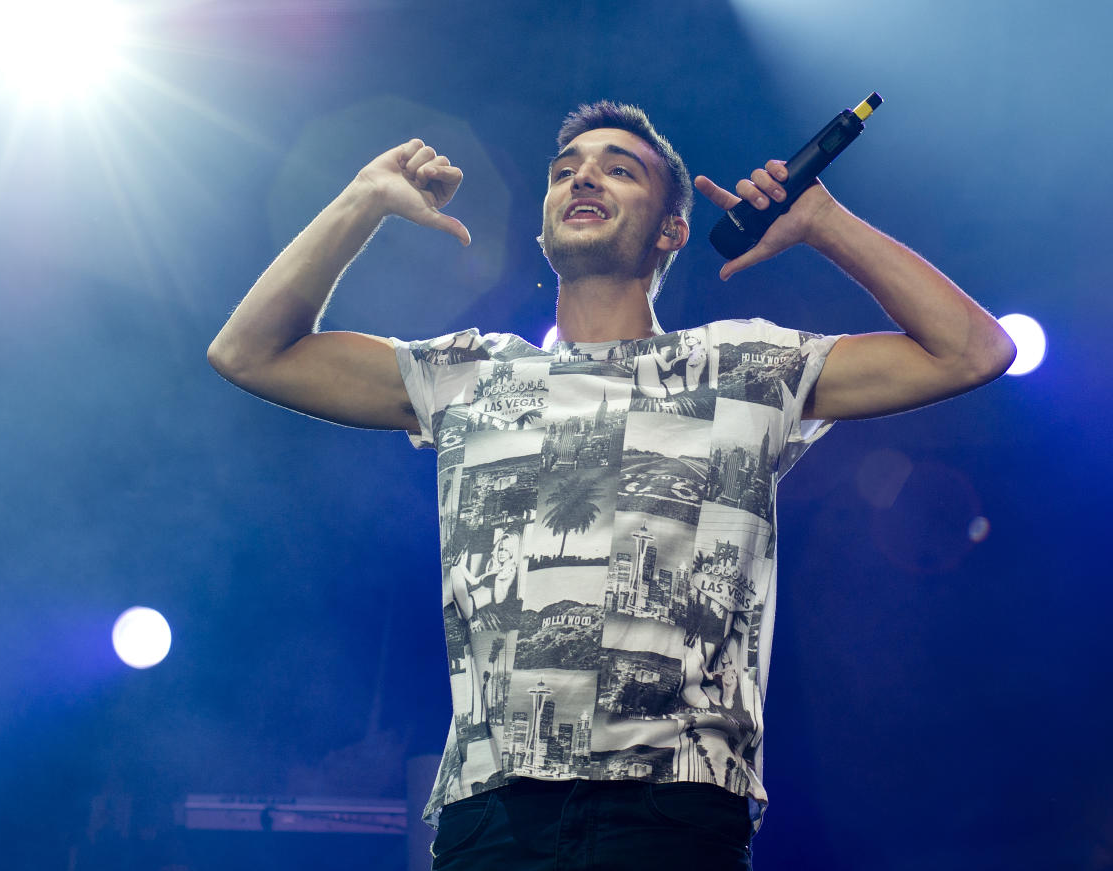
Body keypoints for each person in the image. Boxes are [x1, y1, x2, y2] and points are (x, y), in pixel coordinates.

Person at [208, 101, 1015, 870]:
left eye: (619, 169)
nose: (583, 179)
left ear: (674, 227)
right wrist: (362, 200)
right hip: (494, 816)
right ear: (546, 219)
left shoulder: (746, 366)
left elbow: (973, 350)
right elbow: (250, 353)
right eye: (567, 170)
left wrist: (825, 224)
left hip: (676, 810)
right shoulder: (469, 373)